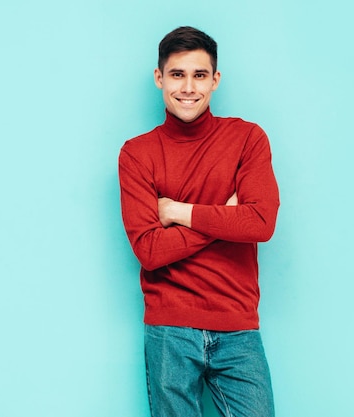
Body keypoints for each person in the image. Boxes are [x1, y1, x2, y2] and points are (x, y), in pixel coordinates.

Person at [118, 26, 280, 417]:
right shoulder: (137, 154)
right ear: (159, 78)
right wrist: (224, 217)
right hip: (170, 329)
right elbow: (151, 251)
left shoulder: (247, 139)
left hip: (238, 324)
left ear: (215, 80)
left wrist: (178, 212)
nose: (188, 87)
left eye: (199, 75)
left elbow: (260, 223)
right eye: (177, 74)